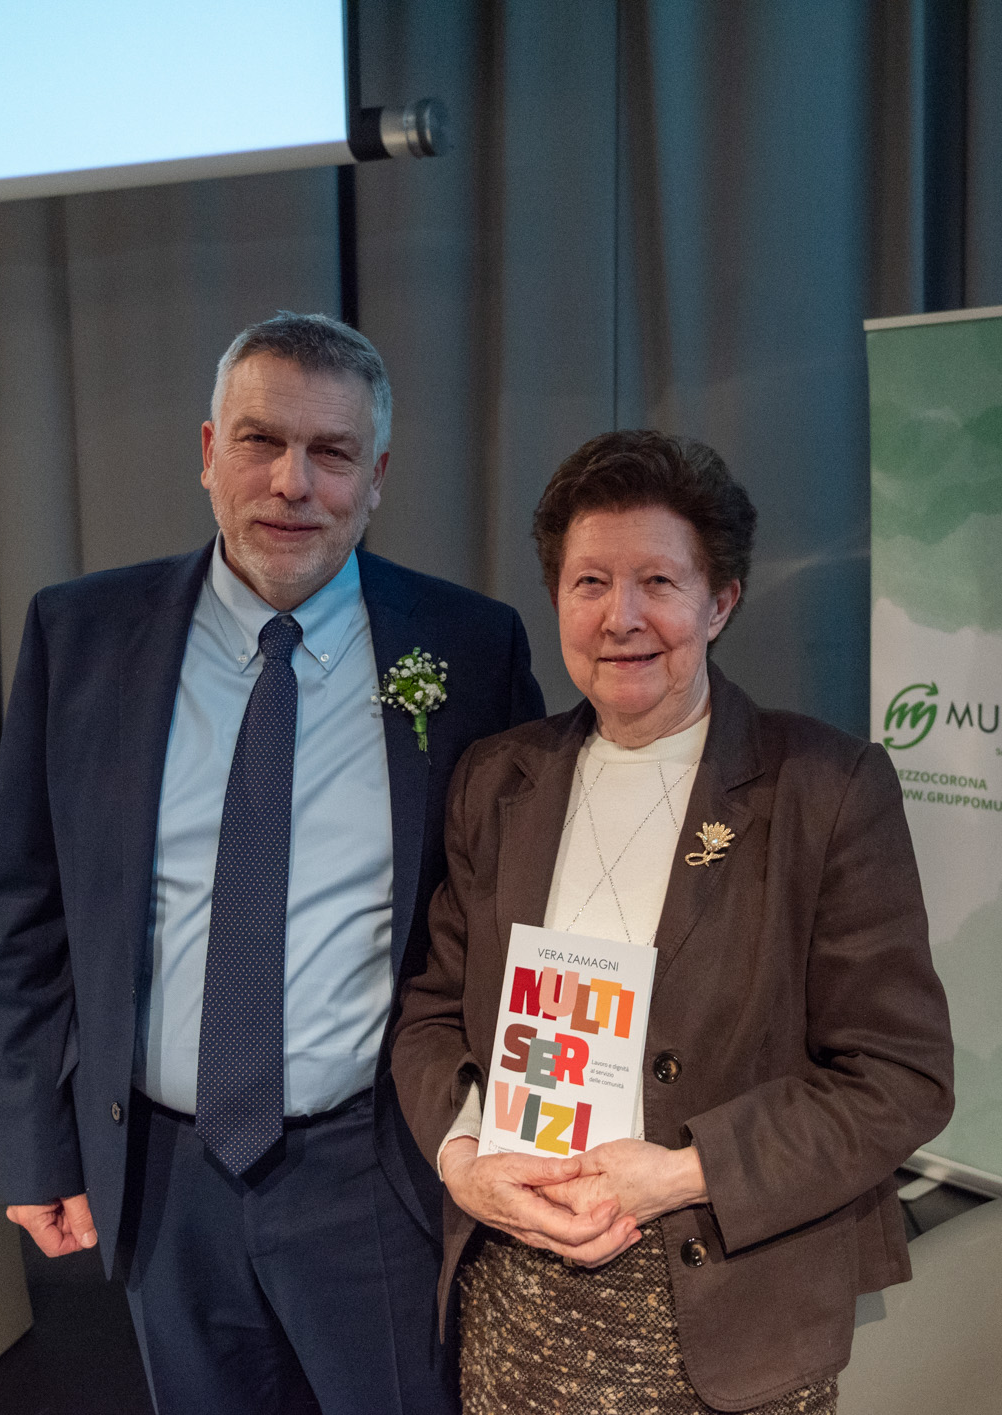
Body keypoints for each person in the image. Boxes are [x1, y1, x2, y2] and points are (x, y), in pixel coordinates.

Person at [0, 312, 544, 1414]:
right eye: (260, 441)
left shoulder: (470, 647)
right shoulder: (80, 635)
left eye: (331, 452)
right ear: (206, 452)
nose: (293, 482)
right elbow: (25, 911)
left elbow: (515, 905)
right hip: (161, 1178)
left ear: (375, 478)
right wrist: (34, 1145)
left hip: (376, 1170)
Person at [392, 430, 955, 1414]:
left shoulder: (822, 788)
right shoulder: (497, 779)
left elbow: (899, 1077)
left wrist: (683, 1173)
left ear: (720, 600)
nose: (621, 617)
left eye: (657, 580)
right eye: (590, 582)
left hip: (725, 1304)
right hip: (516, 1301)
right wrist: (464, 1159)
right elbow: (433, 1014)